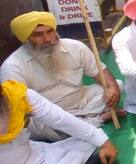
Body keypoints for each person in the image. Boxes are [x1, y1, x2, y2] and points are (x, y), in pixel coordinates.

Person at [2, 12, 122, 141]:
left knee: (118, 85)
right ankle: (97, 120)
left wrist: (112, 87)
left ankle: (77, 126)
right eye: (37, 35)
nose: (48, 39)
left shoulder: (76, 47)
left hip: (81, 102)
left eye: (50, 31)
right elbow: (17, 113)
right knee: (31, 126)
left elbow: (101, 74)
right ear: (24, 38)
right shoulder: (13, 67)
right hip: (47, 116)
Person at [0, 80, 119, 164]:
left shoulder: (17, 95)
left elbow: (63, 120)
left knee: (90, 140)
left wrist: (104, 143)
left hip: (39, 156)